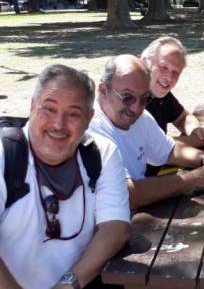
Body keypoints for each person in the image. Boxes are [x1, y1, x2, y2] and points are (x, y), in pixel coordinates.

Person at [0, 65, 130, 289]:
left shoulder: (101, 153)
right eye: (49, 109)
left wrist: (67, 284)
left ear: (89, 118)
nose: (58, 125)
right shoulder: (5, 155)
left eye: (73, 114)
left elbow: (115, 227)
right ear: (32, 106)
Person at [89, 55, 204, 210]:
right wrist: (192, 179)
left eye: (144, 99)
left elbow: (169, 150)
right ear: (103, 90)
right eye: (127, 97)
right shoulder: (92, 132)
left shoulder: (141, 118)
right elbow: (128, 194)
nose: (136, 107)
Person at [141, 36, 204, 147]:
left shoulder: (159, 93)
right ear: (146, 62)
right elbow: (151, 147)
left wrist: (195, 129)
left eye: (176, 72)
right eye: (163, 67)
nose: (169, 77)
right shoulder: (130, 98)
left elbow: (182, 117)